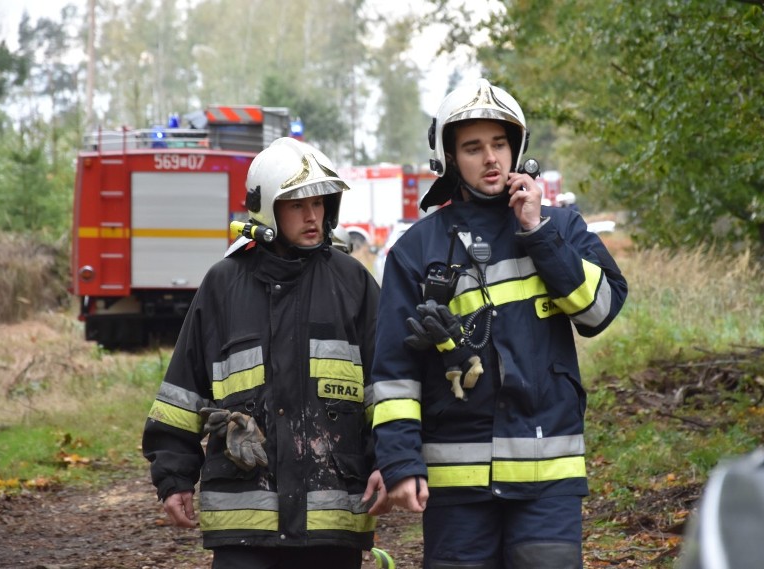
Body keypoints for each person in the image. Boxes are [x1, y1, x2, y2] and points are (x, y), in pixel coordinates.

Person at [370, 79, 628, 569]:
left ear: (517, 149)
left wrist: (537, 233)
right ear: (450, 158)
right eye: (473, 147)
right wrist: (401, 462)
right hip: (456, 487)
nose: (491, 158)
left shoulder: (562, 228)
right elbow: (392, 375)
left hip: (547, 479)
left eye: (500, 143)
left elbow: (597, 312)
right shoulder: (416, 251)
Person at [142, 137, 389, 569]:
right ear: (267, 209)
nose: (312, 216)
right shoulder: (223, 285)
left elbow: (384, 388)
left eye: (319, 202)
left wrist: (391, 461)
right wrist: (174, 478)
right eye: (296, 205)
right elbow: (182, 392)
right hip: (244, 518)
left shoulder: (353, 283)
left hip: (331, 519)